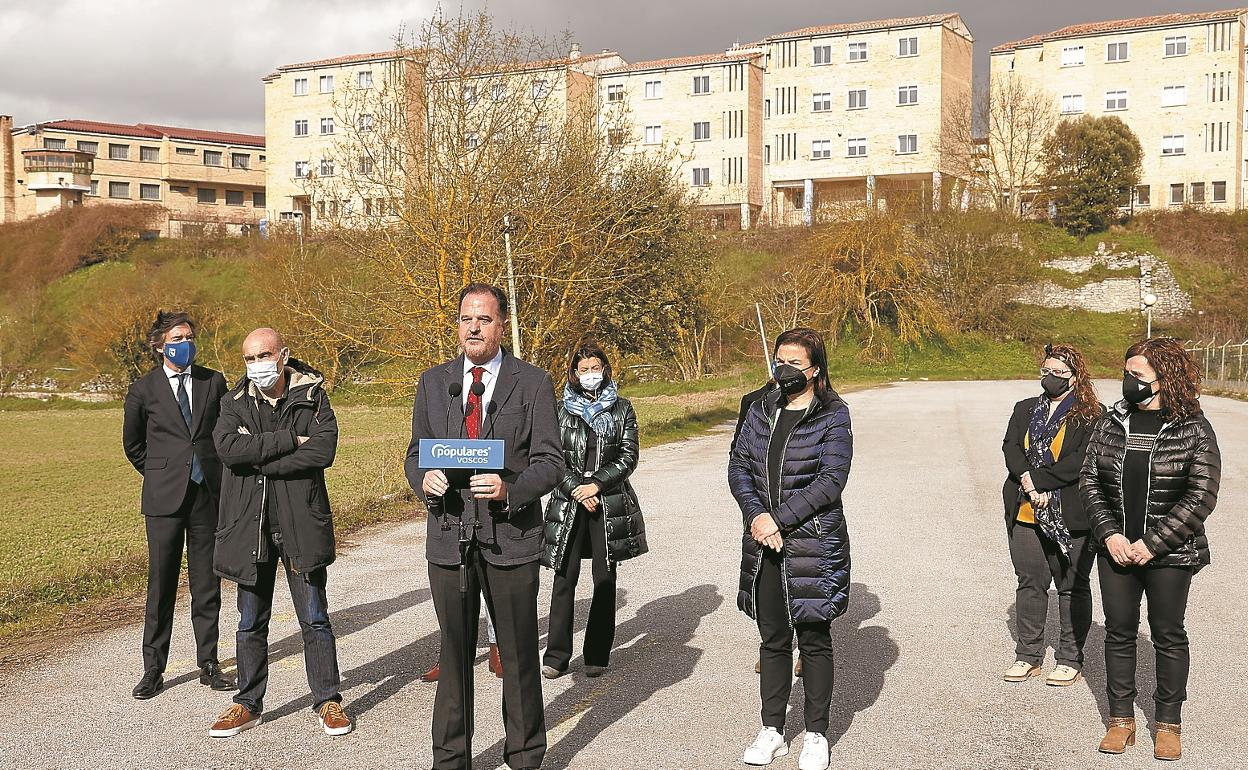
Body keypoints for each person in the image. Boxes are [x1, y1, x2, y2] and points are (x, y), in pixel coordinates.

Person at [405, 283, 563, 770]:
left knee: (517, 655)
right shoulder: (434, 382)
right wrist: (424, 478)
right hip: (449, 537)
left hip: (510, 539)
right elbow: (415, 454)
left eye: (484, 319)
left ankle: (525, 756)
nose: (473, 327)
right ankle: (451, 759)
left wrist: (509, 489)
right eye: (465, 318)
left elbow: (551, 462)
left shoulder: (532, 382)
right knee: (454, 655)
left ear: (502, 326)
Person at [1080, 338, 1221, 761]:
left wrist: (1152, 543)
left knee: (1168, 634)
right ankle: (1120, 719)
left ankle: (1168, 723)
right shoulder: (1111, 422)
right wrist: (1110, 535)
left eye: (1137, 375)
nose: (1129, 381)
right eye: (1126, 373)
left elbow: (1201, 494)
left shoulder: (1193, 428)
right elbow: (1090, 480)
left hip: (1170, 554)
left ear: (1165, 378)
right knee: (1119, 631)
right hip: (1116, 549)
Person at [207, 328, 353, 738]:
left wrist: (261, 458)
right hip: (249, 527)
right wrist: (290, 440)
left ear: (283, 355)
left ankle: (328, 700)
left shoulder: (312, 396)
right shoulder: (234, 401)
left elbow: (323, 450)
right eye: (250, 358)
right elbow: (228, 449)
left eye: (264, 355)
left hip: (299, 523)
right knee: (250, 621)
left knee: (314, 618)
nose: (257, 365)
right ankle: (247, 703)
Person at [729, 328, 853, 770]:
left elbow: (831, 481)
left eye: (794, 363)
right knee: (773, 639)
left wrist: (778, 519)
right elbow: (739, 466)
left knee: (814, 638)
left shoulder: (833, 414)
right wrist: (757, 517)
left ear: (814, 369)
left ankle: (816, 733)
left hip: (812, 541)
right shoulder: (759, 407)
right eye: (779, 360)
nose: (784, 370)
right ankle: (773, 730)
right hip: (763, 540)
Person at [122, 311, 233, 699]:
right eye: (177, 338)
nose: (185, 343)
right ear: (159, 346)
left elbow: (223, 432)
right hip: (164, 499)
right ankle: (153, 668)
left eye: (189, 336)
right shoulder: (143, 390)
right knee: (162, 584)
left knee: (207, 583)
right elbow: (133, 445)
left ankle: (209, 662)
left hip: (207, 495)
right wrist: (162, 474)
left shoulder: (212, 381)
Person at [541, 341, 647, 679]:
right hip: (569, 499)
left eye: (595, 368)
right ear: (574, 372)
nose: (590, 374)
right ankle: (556, 655)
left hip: (607, 500)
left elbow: (628, 456)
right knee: (564, 576)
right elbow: (551, 457)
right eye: (583, 369)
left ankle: (597, 654)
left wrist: (597, 484)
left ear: (605, 369)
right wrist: (576, 488)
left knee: (604, 577)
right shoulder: (559, 410)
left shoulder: (622, 408)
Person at [1000, 344, 1103, 687]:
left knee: (1071, 586)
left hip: (1070, 513)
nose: (1051, 377)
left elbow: (1083, 458)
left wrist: (1042, 481)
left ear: (1075, 377)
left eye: (1059, 372)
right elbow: (1011, 447)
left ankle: (1070, 657)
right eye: (1047, 371)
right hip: (1025, 508)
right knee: (1030, 582)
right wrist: (1029, 482)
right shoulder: (1025, 408)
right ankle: (1028, 655)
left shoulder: (1092, 414)